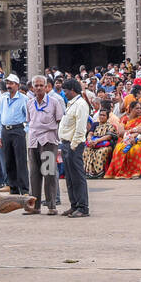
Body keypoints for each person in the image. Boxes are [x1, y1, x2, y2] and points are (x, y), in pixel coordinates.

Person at [25, 74, 64, 215]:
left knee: (49, 173)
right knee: (34, 174)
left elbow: (60, 121)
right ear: (32, 88)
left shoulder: (54, 102)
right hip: (33, 141)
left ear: (47, 87)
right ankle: (35, 206)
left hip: (48, 140)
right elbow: (29, 121)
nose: (39, 88)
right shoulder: (29, 103)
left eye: (42, 85)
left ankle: (51, 205)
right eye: (37, 86)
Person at [58, 78, 90, 217]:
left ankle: (83, 207)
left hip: (74, 145)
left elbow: (81, 128)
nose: (64, 93)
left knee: (77, 177)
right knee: (70, 178)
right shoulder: (71, 104)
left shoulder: (81, 104)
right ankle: (74, 205)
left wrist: (73, 145)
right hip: (65, 143)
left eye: (66, 90)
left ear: (72, 90)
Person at [0, 74, 29, 195]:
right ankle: (13, 189)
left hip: (18, 130)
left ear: (17, 85)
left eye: (11, 83)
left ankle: (24, 189)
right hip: (5, 130)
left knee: (21, 161)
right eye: (7, 83)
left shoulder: (24, 99)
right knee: (8, 161)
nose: (9, 86)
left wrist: (25, 130)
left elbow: (29, 117)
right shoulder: (2, 98)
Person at [109, 103, 141, 179]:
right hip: (124, 140)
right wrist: (131, 133)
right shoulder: (124, 119)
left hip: (138, 140)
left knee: (135, 149)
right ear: (131, 109)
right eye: (137, 108)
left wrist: (132, 135)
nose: (139, 110)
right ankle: (121, 173)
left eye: (140, 108)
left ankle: (135, 173)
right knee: (119, 149)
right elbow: (121, 132)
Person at [84, 108, 118, 177]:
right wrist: (90, 140)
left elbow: (108, 136)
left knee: (101, 151)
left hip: (104, 145)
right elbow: (90, 133)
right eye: (100, 115)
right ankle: (88, 172)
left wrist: (97, 141)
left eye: (104, 115)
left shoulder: (110, 126)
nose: (101, 117)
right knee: (86, 150)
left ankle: (98, 172)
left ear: (107, 117)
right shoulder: (95, 124)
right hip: (93, 143)